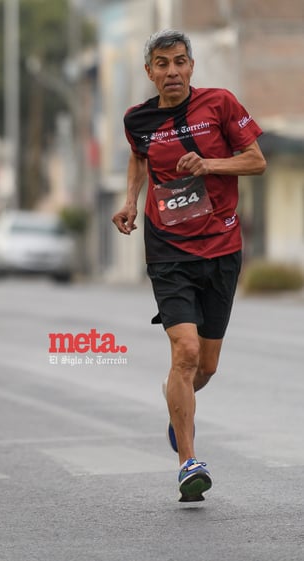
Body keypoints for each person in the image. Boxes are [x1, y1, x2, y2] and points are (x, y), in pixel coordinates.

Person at [112, 30, 266, 502]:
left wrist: (209, 166)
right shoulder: (137, 119)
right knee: (186, 352)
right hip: (169, 248)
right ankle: (188, 463)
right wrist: (130, 202)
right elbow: (140, 159)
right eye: (162, 63)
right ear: (150, 72)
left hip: (221, 246)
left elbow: (256, 161)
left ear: (192, 66)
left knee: (207, 366)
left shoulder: (219, 103)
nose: (172, 71)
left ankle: (175, 399)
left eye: (180, 61)